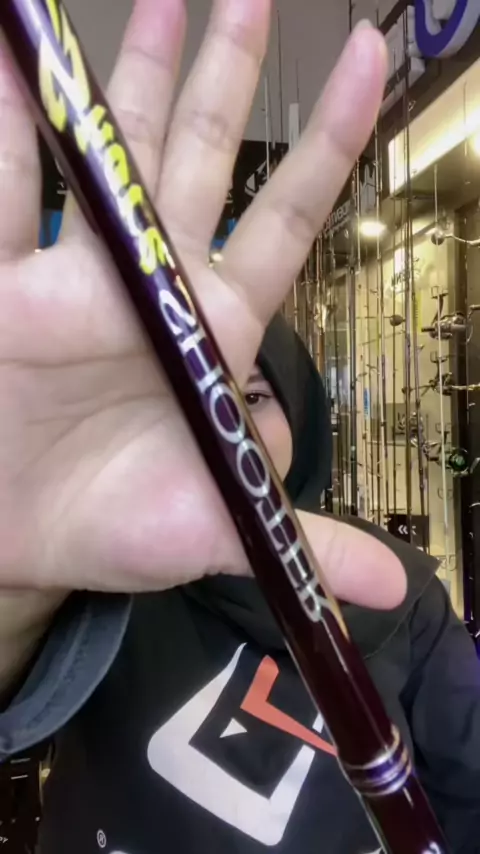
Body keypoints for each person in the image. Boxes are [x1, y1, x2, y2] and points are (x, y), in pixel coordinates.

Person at [0, 1, 478, 852]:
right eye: (195, 403)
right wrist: (14, 579)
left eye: (250, 398)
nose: (225, 434)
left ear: (305, 416)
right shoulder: (105, 583)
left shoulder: (403, 597)